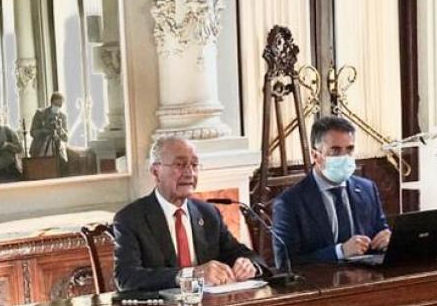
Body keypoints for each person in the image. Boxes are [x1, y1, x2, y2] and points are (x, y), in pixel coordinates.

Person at [113, 137, 263, 290]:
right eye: (179, 164)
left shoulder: (208, 213)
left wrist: (249, 265)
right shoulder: (131, 218)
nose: (189, 173)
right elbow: (126, 278)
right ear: (156, 172)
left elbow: (242, 254)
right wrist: (191, 275)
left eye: (194, 165)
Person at [271, 115, 391, 267]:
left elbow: (381, 231)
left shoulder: (367, 189)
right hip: (323, 284)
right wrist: (339, 251)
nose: (344, 157)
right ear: (316, 155)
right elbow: (285, 262)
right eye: (335, 151)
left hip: (367, 279)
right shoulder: (290, 202)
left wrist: (387, 240)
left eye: (349, 149)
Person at [29, 92, 68, 160]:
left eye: (60, 106)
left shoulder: (63, 117)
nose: (57, 107)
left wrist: (60, 130)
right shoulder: (40, 113)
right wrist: (45, 131)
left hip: (57, 151)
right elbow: (32, 132)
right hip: (40, 150)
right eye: (56, 104)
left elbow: (66, 138)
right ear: (51, 102)